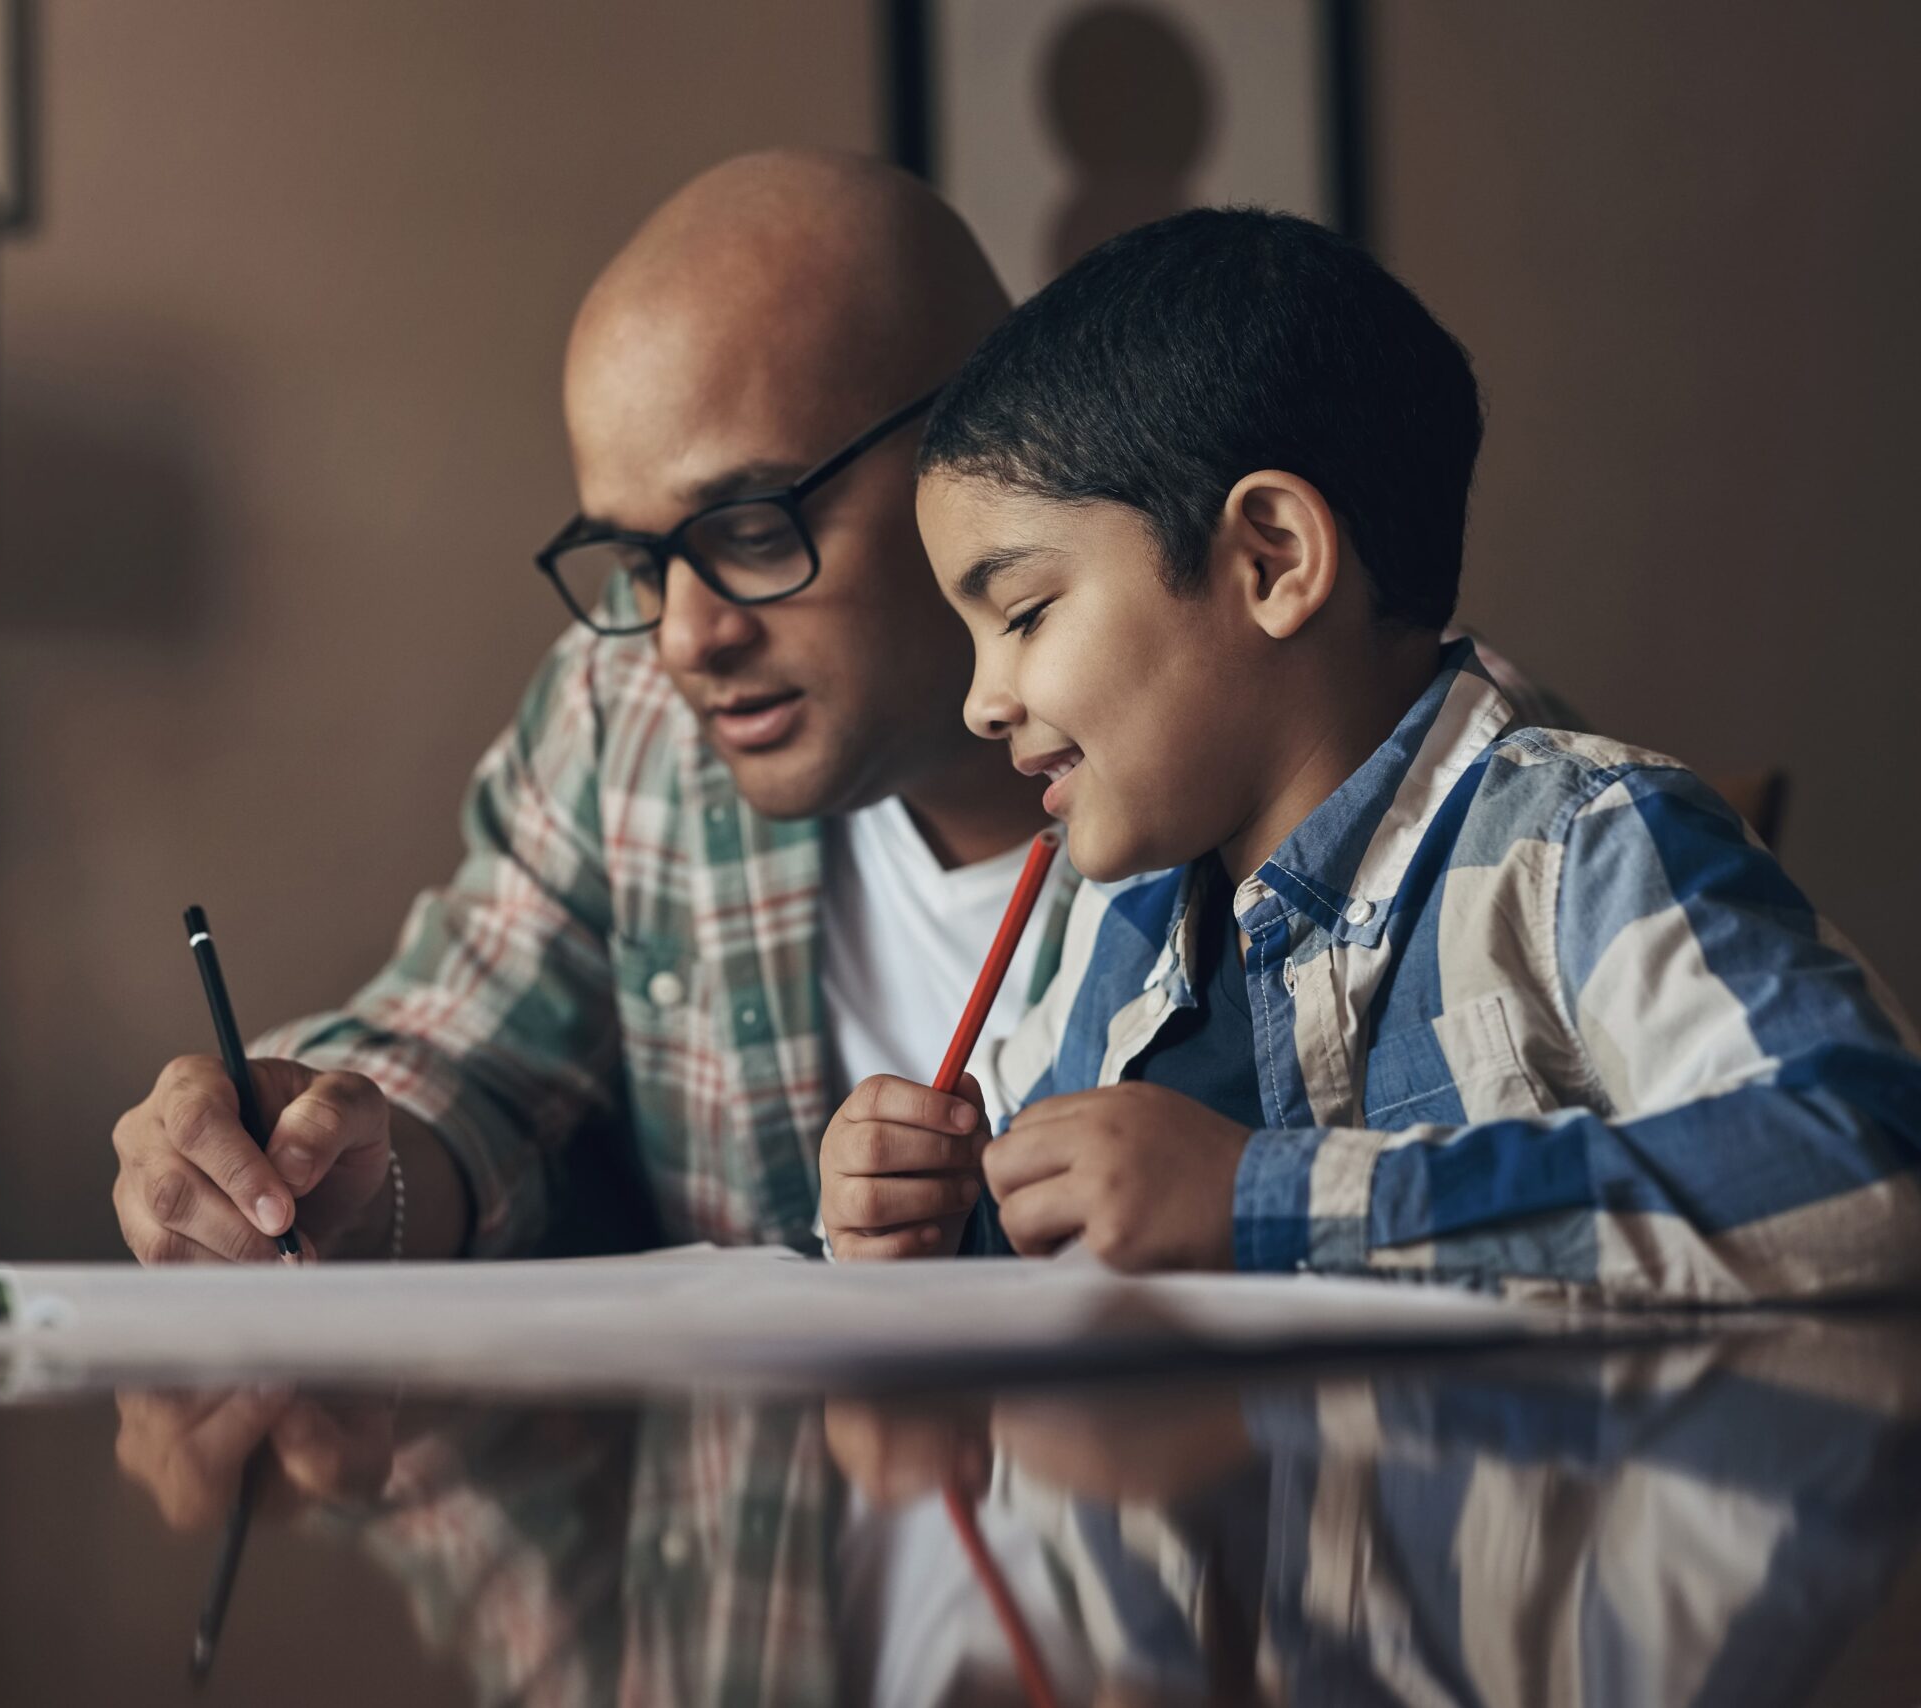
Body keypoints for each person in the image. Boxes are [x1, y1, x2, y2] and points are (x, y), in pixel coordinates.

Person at [109, 153, 1561, 1270]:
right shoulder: (631, 714)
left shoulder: (1356, 789)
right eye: (632, 555)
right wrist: (330, 1167)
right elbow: (468, 1057)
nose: (684, 637)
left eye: (748, 526)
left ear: (974, 456)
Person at [822, 207, 1921, 1302]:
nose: (980, 703)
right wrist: (933, 1218)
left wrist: (1266, 1196)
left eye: (1020, 614)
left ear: (1272, 560)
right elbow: (1055, 1249)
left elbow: (1867, 1167)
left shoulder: (1577, 853)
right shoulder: (1120, 938)